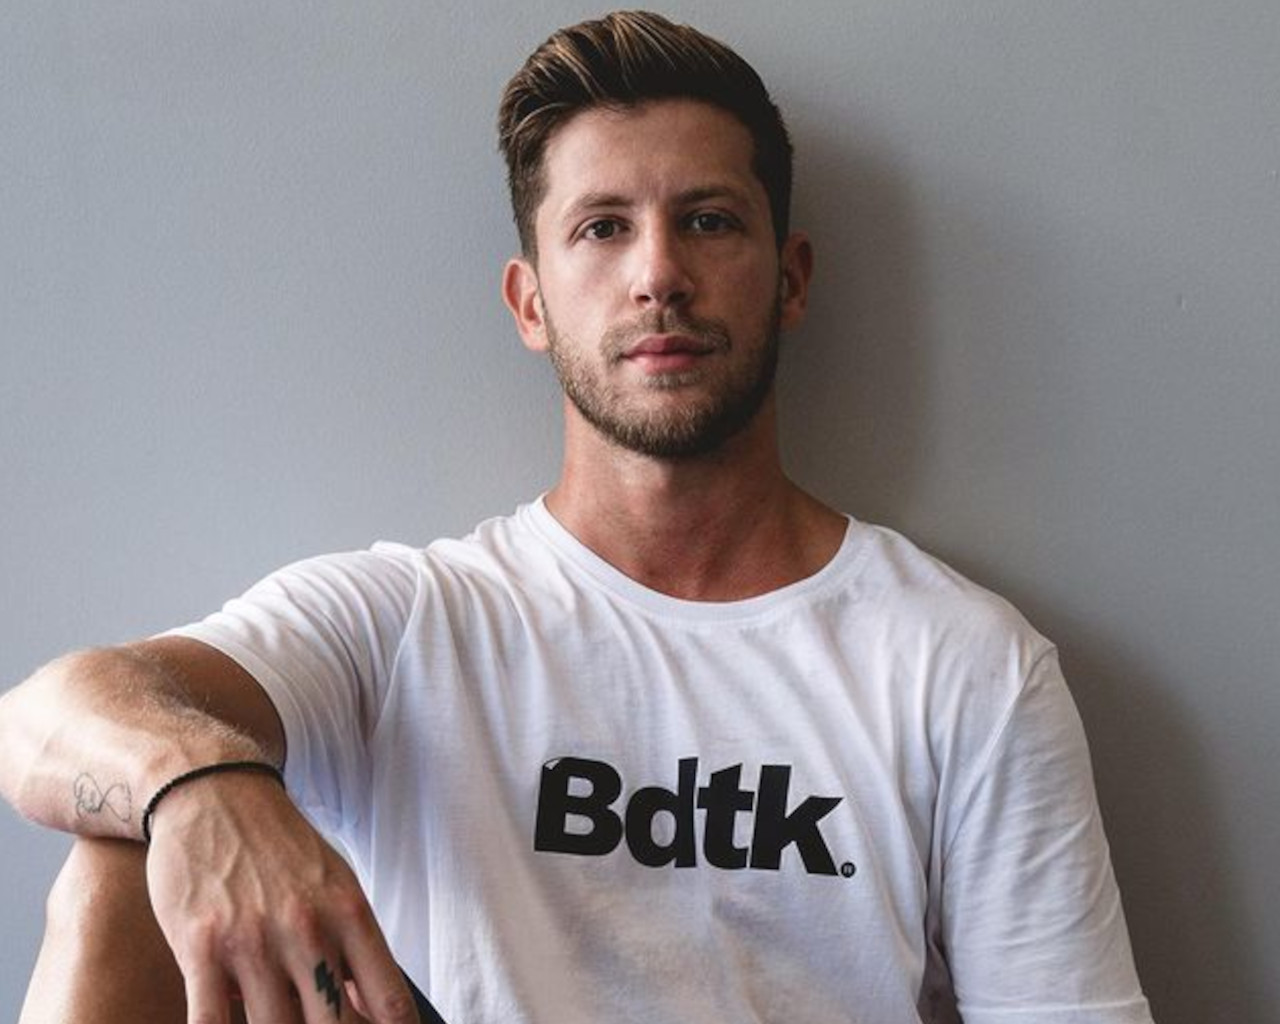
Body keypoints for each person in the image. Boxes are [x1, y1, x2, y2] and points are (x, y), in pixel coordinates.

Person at [0, 11, 1154, 1024]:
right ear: (530, 302)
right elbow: (40, 719)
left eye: (708, 221)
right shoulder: (408, 623)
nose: (658, 274)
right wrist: (199, 787)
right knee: (119, 857)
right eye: (602, 227)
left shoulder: (958, 664)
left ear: (790, 277)